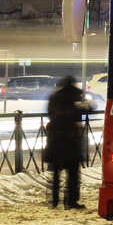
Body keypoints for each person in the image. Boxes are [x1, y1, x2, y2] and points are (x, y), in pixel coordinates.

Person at [44, 75, 86, 209]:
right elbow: (80, 111)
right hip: (69, 140)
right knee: (73, 171)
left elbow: (51, 113)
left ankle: (54, 200)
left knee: (56, 171)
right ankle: (70, 201)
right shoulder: (71, 97)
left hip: (54, 139)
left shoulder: (54, 97)